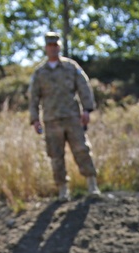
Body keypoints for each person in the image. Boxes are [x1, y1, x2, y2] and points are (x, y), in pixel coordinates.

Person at [28, 31, 100, 200]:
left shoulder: (71, 67)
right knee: (55, 155)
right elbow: (33, 97)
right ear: (46, 48)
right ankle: (63, 190)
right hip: (51, 120)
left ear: (59, 46)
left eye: (55, 45)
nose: (53, 49)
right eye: (50, 46)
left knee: (81, 150)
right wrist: (35, 119)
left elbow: (84, 87)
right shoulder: (40, 73)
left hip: (72, 117)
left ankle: (92, 185)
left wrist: (87, 110)